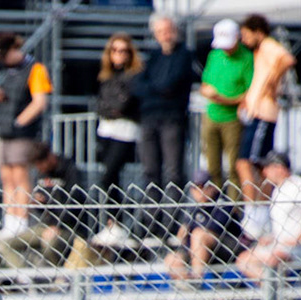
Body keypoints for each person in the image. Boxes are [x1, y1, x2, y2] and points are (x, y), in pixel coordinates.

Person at [134, 14, 196, 243]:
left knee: (173, 172)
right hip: (150, 119)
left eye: (168, 31)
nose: (165, 36)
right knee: (150, 172)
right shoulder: (153, 57)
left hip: (173, 119)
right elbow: (138, 86)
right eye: (160, 32)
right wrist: (156, 89)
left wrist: (154, 89)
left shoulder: (184, 55)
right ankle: (151, 223)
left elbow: (170, 85)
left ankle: (172, 224)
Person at [0, 32, 53, 244]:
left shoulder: (35, 69)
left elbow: (39, 102)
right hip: (4, 131)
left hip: (22, 134)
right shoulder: (10, 72)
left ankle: (21, 221)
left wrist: (20, 121)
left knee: (20, 176)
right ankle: (10, 220)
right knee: (7, 177)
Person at [236, 15, 295, 240]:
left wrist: (273, 82)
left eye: (246, 35)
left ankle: (256, 215)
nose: (244, 40)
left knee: (252, 163)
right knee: (247, 163)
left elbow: (286, 59)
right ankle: (255, 212)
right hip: (255, 111)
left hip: (264, 113)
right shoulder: (258, 52)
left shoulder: (269, 46)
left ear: (257, 31)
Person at [0, 143, 90, 269]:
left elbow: (74, 204)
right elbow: (43, 205)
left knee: (50, 243)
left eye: (40, 165)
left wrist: (57, 226)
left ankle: (56, 278)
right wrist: (37, 202)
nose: (39, 169)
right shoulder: (42, 173)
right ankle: (25, 277)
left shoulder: (69, 169)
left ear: (49, 158)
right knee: (5, 244)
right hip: (45, 226)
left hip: (70, 228)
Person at [89, 34, 144, 249]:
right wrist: (109, 108)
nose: (118, 55)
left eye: (123, 51)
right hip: (106, 129)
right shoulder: (106, 75)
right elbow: (101, 104)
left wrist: (113, 108)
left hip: (126, 130)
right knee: (108, 178)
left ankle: (118, 224)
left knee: (109, 174)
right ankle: (112, 224)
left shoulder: (134, 76)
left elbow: (124, 103)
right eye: (115, 50)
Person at [237, 153, 301, 282]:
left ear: (280, 168)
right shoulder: (278, 190)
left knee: (272, 260)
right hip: (281, 244)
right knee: (244, 261)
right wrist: (271, 238)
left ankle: (278, 293)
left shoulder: (300, 185)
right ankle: (277, 293)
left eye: (268, 167)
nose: (264, 172)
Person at [199, 20, 251, 201]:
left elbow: (248, 93)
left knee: (234, 167)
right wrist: (210, 94)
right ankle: (213, 209)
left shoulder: (246, 58)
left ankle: (234, 210)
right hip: (212, 116)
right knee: (212, 167)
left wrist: (222, 99)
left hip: (233, 119)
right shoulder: (214, 55)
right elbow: (205, 84)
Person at [165, 168, 245, 281]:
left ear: (212, 186)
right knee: (172, 259)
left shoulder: (223, 204)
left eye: (204, 186)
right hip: (198, 250)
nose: (200, 191)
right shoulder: (193, 209)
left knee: (199, 235)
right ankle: (187, 285)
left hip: (227, 248)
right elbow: (183, 233)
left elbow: (214, 229)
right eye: (196, 187)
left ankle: (197, 277)